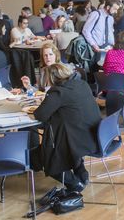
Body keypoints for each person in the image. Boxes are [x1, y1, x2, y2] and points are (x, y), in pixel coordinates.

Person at [33, 63, 102, 193]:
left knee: (45, 156)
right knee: (56, 141)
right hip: (93, 135)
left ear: (52, 79)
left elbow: (40, 115)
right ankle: (82, 174)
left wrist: (46, 100)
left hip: (76, 139)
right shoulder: (82, 84)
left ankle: (74, 183)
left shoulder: (59, 92)